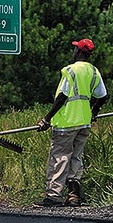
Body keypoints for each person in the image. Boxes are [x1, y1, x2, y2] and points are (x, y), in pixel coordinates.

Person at [36, 38, 107, 207]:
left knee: (60, 157)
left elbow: (62, 96)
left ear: (79, 52)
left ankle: (53, 195)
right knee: (76, 157)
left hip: (66, 122)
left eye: (75, 49)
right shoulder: (93, 71)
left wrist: (47, 118)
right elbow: (102, 96)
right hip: (83, 122)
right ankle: (74, 195)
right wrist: (93, 112)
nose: (73, 51)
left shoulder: (70, 70)